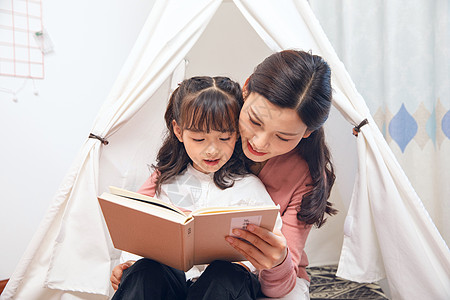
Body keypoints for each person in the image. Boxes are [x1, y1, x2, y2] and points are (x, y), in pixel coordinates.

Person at [111, 49, 337, 299]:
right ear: (246, 90)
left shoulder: (303, 176)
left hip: (256, 281)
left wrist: (277, 261)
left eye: (283, 136)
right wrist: (129, 266)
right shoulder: (213, 133)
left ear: (306, 132)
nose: (259, 143)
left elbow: (280, 284)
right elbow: (141, 220)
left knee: (228, 277)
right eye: (254, 121)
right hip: (178, 275)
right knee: (144, 272)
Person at [111, 75, 283, 300]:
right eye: (199, 140)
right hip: (174, 281)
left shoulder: (249, 187)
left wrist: (245, 261)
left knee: (224, 274)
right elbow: (140, 239)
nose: (212, 151)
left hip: (224, 285)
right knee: (145, 271)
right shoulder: (166, 182)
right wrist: (128, 266)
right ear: (179, 131)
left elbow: (271, 245)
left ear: (237, 134)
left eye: (224, 138)